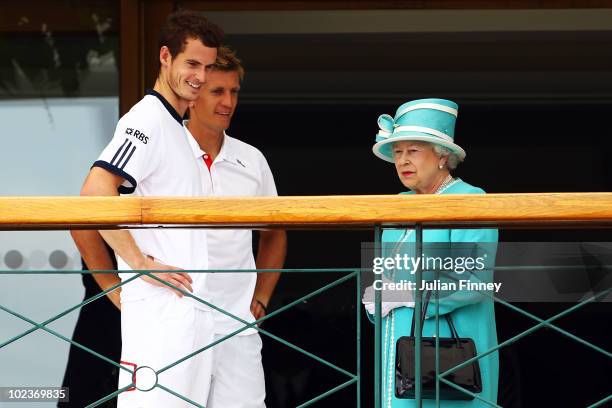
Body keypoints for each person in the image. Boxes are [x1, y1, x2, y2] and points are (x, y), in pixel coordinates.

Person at [71, 9, 223, 407]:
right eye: (192, 63)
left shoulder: (178, 129)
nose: (201, 76)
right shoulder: (147, 119)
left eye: (208, 67)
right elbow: (94, 193)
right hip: (160, 319)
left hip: (190, 314)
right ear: (164, 57)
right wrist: (137, 263)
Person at [364, 98, 499, 407]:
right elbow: (386, 277)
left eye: (413, 151)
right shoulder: (397, 205)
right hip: (399, 350)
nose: (402, 161)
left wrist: (407, 294)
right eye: (397, 152)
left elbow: (473, 279)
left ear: (442, 156)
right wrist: (377, 297)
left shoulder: (469, 198)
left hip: (452, 353)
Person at [183, 45, 287, 407]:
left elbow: (275, 232)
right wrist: (116, 291)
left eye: (234, 91)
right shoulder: (165, 149)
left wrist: (261, 298)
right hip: (174, 325)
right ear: (193, 95)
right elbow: (93, 215)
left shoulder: (251, 159)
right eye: (217, 91)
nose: (228, 101)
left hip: (237, 325)